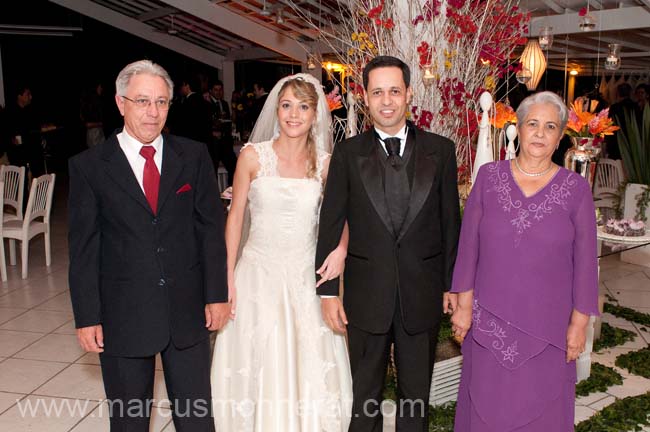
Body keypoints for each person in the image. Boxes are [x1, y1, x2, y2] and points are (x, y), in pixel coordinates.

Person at [68, 60, 229, 431]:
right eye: (142, 101)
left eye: (161, 102)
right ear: (121, 102)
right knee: (129, 421)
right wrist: (87, 316)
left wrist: (216, 294)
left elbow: (209, 231)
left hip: (188, 310)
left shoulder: (193, 156)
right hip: (123, 312)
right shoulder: (90, 166)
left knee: (196, 419)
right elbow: (84, 249)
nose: (152, 112)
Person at [315, 55, 461, 430]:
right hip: (366, 296)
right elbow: (330, 223)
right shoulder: (348, 154)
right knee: (365, 396)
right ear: (365, 96)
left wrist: (452, 285)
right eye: (377, 92)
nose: (386, 100)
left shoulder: (441, 151)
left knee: (416, 397)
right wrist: (328, 292)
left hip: (422, 293)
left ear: (409, 93)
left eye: (394, 91)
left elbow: (450, 223)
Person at [210, 73, 353, 431]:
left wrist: (342, 250)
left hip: (306, 276)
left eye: (303, 107)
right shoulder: (251, 157)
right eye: (287, 105)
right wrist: (225, 278)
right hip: (257, 274)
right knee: (259, 357)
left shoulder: (325, 164)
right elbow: (235, 219)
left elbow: (343, 219)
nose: (293, 114)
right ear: (277, 110)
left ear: (315, 113)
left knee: (307, 359)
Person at [450, 91, 599, 431]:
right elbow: (468, 246)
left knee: (542, 410)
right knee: (485, 404)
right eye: (532, 124)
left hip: (549, 329)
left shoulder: (576, 189)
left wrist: (578, 325)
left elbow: (586, 263)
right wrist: (462, 305)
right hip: (488, 323)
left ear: (560, 137)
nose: (540, 134)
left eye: (550, 127)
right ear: (517, 127)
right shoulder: (488, 178)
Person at [206, 80, 237, 185]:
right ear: (210, 91)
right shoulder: (207, 103)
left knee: (234, 166)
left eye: (220, 90)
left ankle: (231, 191)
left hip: (225, 142)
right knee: (212, 170)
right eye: (216, 90)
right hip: (214, 143)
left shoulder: (224, 103)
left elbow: (227, 122)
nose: (218, 92)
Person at [80, 81, 106, 148]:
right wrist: (102, 124)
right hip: (95, 133)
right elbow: (88, 124)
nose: (101, 89)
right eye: (100, 87)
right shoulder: (92, 103)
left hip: (94, 132)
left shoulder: (90, 102)